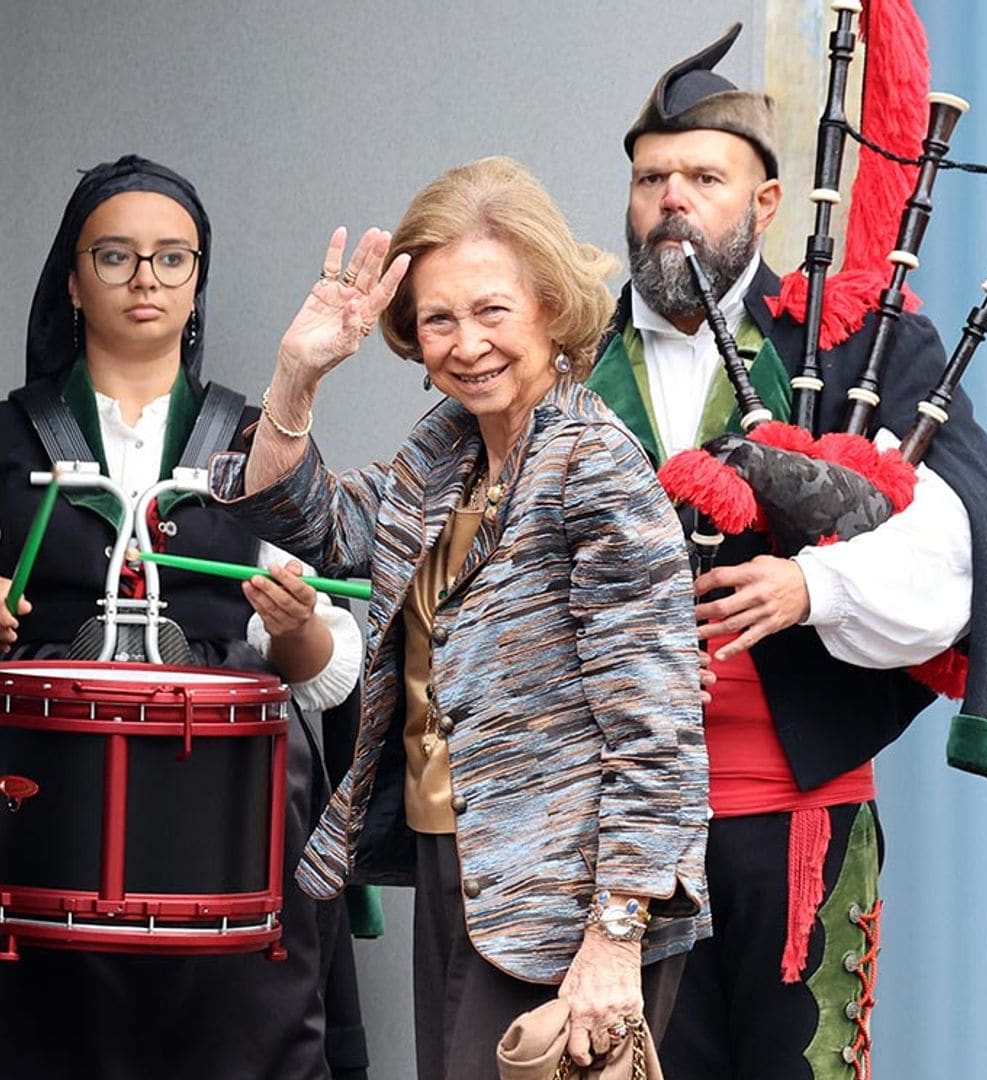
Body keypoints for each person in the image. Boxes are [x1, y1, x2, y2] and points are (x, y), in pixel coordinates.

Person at [586, 25, 987, 1080]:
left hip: (793, 815)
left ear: (763, 204)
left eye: (704, 175)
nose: (672, 197)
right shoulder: (572, 353)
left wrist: (814, 584)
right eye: (650, 176)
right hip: (610, 828)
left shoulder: (856, 339)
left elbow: (961, 537)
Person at [208, 155, 710, 1080]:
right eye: (439, 318)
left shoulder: (594, 466)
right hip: (464, 870)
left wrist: (614, 940)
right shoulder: (445, 449)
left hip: (572, 898)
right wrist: (295, 378)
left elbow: (659, 733)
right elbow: (325, 525)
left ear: (552, 309)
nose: (465, 342)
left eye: (491, 310)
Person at [0, 155, 369, 1080]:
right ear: (73, 279)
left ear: (198, 280)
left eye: (172, 259)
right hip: (43, 794)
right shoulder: (6, 440)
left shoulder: (260, 442)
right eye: (116, 256)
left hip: (226, 801)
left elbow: (333, 660)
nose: (145, 280)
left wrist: (295, 634)